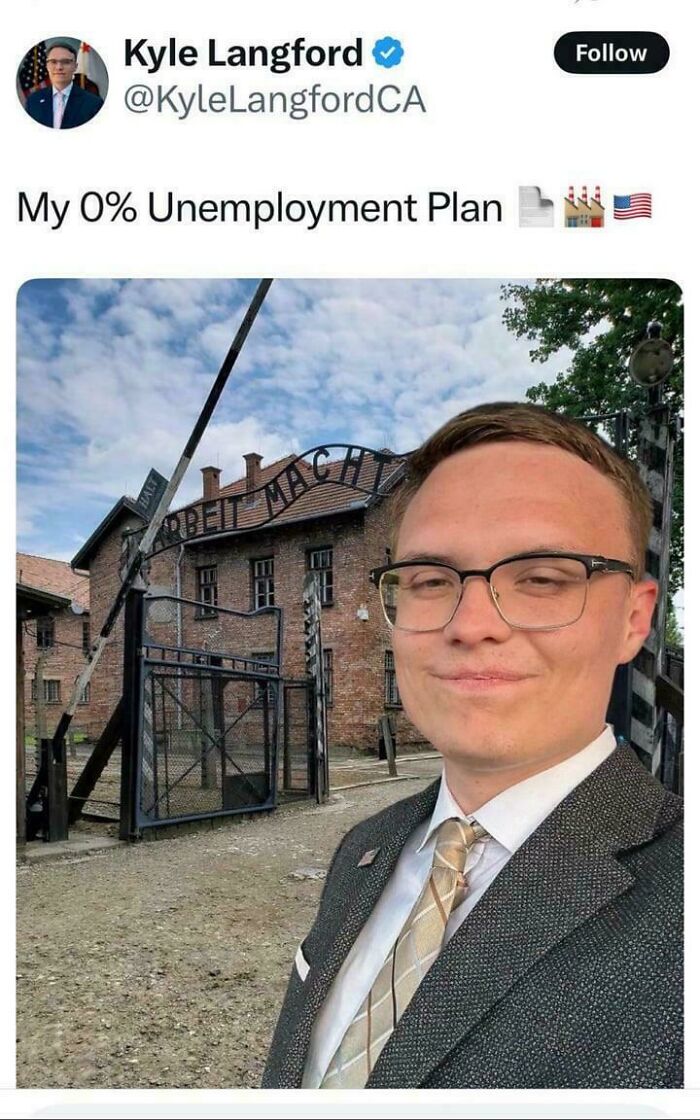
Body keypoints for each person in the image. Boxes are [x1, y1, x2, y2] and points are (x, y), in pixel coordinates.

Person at [262, 401, 682, 1090]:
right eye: (431, 581)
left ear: (634, 619)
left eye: (542, 578)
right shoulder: (365, 848)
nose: (471, 623)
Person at [25, 42, 103, 129]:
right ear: (47, 66)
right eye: (53, 62)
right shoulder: (33, 101)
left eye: (66, 62)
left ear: (75, 66)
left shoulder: (93, 104)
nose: (59, 67)